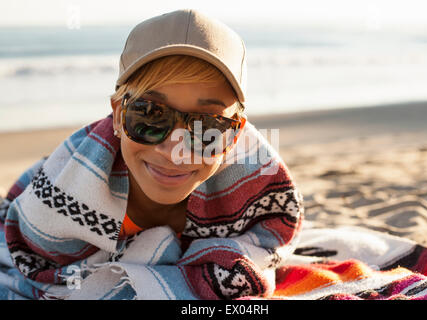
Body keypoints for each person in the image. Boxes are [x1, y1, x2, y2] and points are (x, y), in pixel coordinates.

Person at [0, 9, 303, 300]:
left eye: (206, 126)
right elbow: (35, 262)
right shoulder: (58, 199)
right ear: (118, 116)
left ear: (235, 135)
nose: (175, 150)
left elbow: (269, 239)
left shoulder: (260, 184)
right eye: (149, 115)